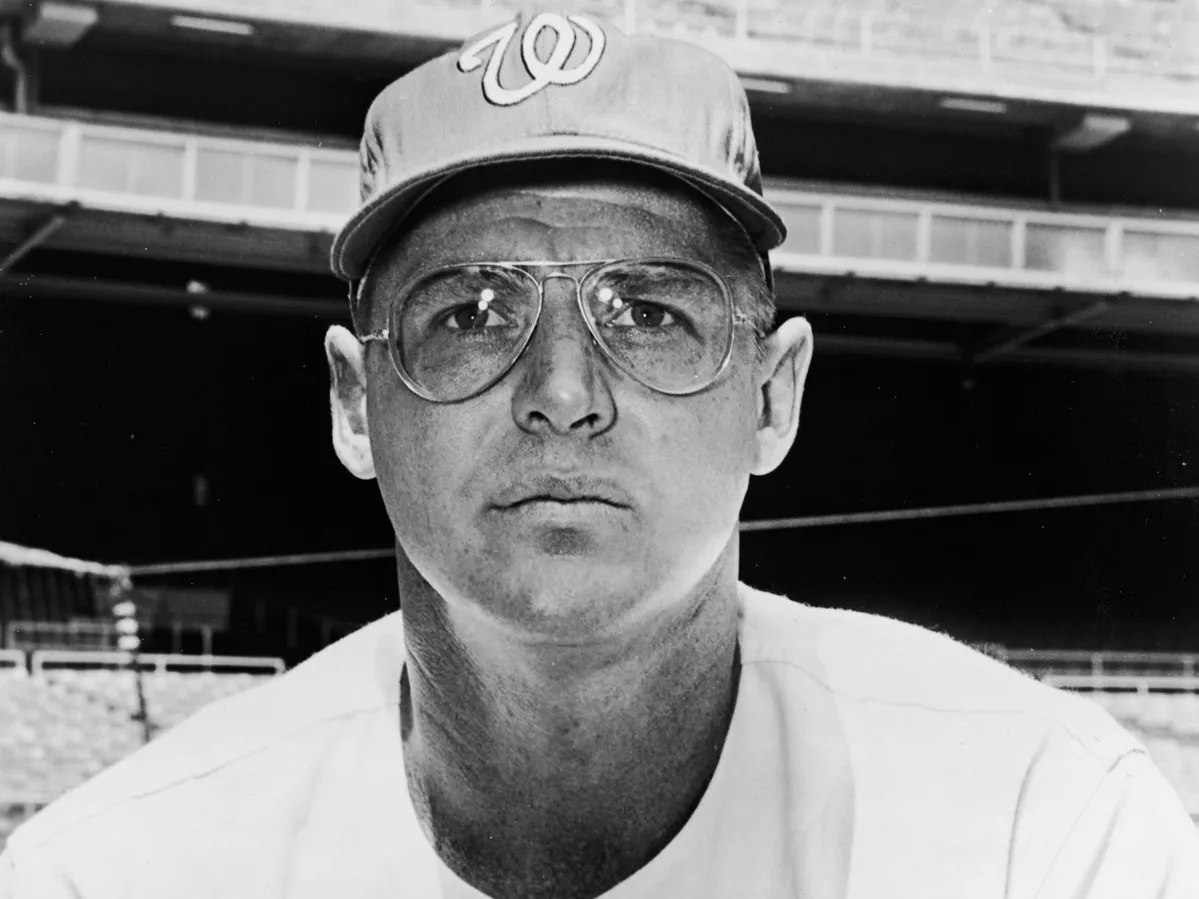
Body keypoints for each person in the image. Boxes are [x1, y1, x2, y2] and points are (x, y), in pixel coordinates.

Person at [3, 9, 1197, 898]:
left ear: (773, 395)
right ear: (358, 401)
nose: (562, 395)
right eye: (470, 313)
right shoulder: (119, 870)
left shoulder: (1036, 831)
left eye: (652, 311)